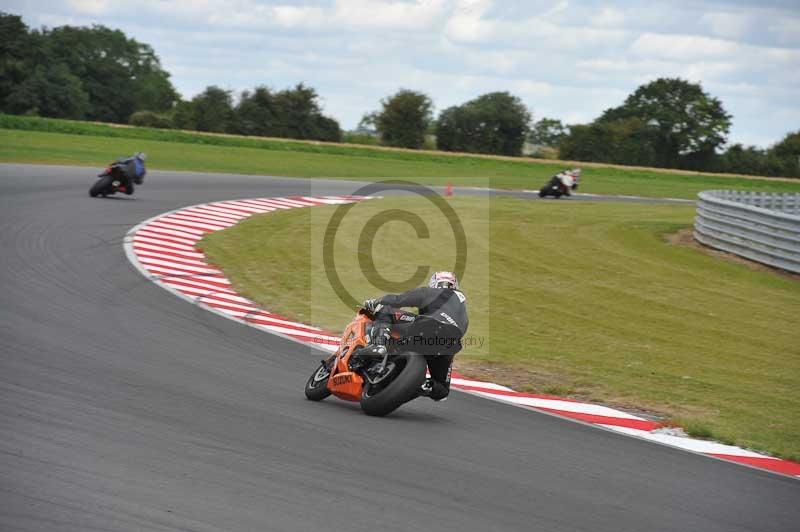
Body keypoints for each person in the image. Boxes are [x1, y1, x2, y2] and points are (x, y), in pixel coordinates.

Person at [362, 271, 468, 402]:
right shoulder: (461, 304)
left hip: (427, 327)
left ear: (434, 283)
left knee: (385, 310)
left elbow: (398, 300)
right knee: (442, 390)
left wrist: (375, 302)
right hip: (449, 344)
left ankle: (378, 345)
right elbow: (462, 328)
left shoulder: (430, 291)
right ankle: (423, 385)